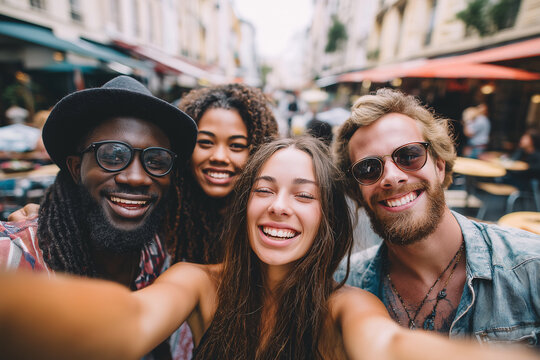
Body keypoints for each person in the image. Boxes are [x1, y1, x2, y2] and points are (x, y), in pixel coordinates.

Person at [1, 136, 538, 360]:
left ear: (325, 219)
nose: (280, 207)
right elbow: (128, 321)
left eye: (304, 196)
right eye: (264, 190)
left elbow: (390, 348)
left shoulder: (345, 306)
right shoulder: (196, 282)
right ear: (245, 207)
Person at [0, 75, 198, 358]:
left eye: (156, 161)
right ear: (75, 167)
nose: (136, 177)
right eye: (113, 156)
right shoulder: (15, 257)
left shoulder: (157, 255)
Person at [333, 88, 540, 344]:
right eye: (368, 168)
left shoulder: (532, 268)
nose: (391, 177)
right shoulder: (341, 283)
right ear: (357, 191)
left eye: (409, 155)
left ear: (439, 166)